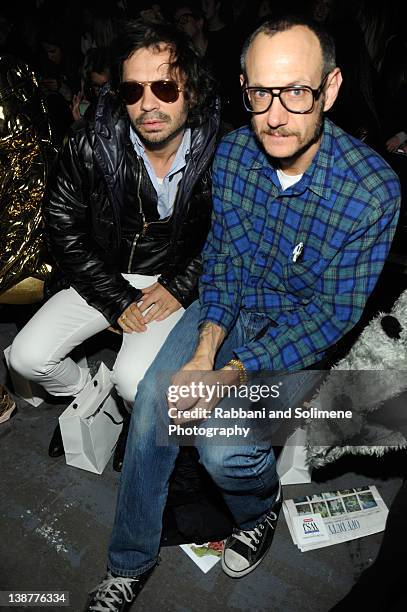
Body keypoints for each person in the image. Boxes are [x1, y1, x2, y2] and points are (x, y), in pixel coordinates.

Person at [82, 14, 400, 611]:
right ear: (243, 88)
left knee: (222, 447)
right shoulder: (233, 154)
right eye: (259, 93)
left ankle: (259, 510)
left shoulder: (372, 191)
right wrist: (204, 351)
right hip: (227, 308)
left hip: (296, 336)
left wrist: (232, 373)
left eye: (297, 92)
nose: (275, 114)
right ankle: (127, 563)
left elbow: (331, 316)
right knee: (156, 401)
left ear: (330, 89)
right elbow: (223, 260)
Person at [9, 19, 219, 471]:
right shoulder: (90, 142)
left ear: (192, 91)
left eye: (164, 88)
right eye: (132, 91)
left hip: (168, 283)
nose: (148, 105)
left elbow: (232, 236)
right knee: (26, 360)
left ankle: (131, 414)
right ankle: (90, 394)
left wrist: (181, 285)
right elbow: (62, 226)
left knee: (135, 381)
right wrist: (115, 295)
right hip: (101, 274)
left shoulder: (223, 151)